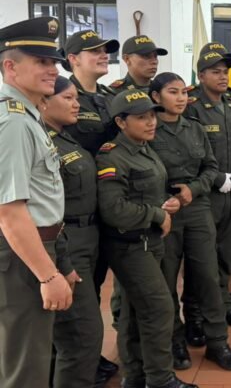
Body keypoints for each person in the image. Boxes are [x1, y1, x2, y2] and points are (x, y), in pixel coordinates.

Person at [96, 89, 196, 388]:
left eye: (152, 115)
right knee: (159, 308)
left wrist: (168, 203)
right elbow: (114, 209)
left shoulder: (144, 148)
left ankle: (135, 375)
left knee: (133, 309)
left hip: (148, 242)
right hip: (130, 245)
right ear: (121, 122)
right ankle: (160, 378)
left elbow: (147, 190)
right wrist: (156, 214)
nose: (151, 122)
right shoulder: (112, 155)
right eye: (142, 118)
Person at [149, 72, 231, 371]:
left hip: (198, 207)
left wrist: (193, 189)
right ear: (156, 97)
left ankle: (217, 341)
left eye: (184, 92)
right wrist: (168, 199)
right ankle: (175, 340)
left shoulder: (195, 128)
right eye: (172, 92)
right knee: (166, 279)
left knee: (208, 276)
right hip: (164, 212)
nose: (181, 98)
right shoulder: (148, 128)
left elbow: (211, 167)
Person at [0, 17, 71, 388]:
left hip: (33, 249)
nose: (52, 70)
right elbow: (10, 213)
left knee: (27, 355)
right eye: (41, 61)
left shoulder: (26, 114)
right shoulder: (12, 122)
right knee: (26, 367)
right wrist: (47, 275)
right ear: (10, 67)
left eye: (53, 61)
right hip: (23, 258)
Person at [60, 29, 121, 385]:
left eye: (105, 50)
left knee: (94, 286)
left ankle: (89, 356)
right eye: (93, 51)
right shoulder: (61, 97)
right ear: (73, 59)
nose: (102, 55)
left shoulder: (109, 97)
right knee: (76, 300)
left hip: (104, 208)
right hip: (75, 209)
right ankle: (75, 361)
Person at [183, 48, 231, 342]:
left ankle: (221, 306)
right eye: (215, 72)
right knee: (200, 259)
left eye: (225, 72)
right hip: (205, 195)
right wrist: (216, 178)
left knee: (225, 254)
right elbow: (189, 154)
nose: (223, 77)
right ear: (201, 76)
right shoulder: (191, 107)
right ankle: (195, 316)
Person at [42, 77, 103, 388]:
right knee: (82, 337)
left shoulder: (67, 137)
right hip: (66, 243)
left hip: (88, 237)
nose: (77, 104)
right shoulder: (42, 142)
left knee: (70, 337)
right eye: (67, 98)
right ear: (44, 102)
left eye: (76, 97)